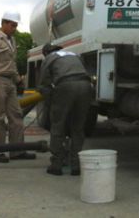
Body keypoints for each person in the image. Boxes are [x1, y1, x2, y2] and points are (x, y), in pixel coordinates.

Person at [36, 42, 93, 176]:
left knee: (58, 126)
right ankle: (76, 165)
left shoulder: (49, 58)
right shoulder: (74, 54)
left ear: (45, 53)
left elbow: (44, 85)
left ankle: (56, 165)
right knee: (78, 127)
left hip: (66, 86)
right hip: (86, 86)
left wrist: (51, 103)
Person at [0, 11, 37, 163]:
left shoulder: (12, 40)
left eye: (16, 25)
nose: (14, 28)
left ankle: (17, 151)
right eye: (12, 25)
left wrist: (18, 80)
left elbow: (12, 64)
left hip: (10, 82)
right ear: (4, 23)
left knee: (16, 116)